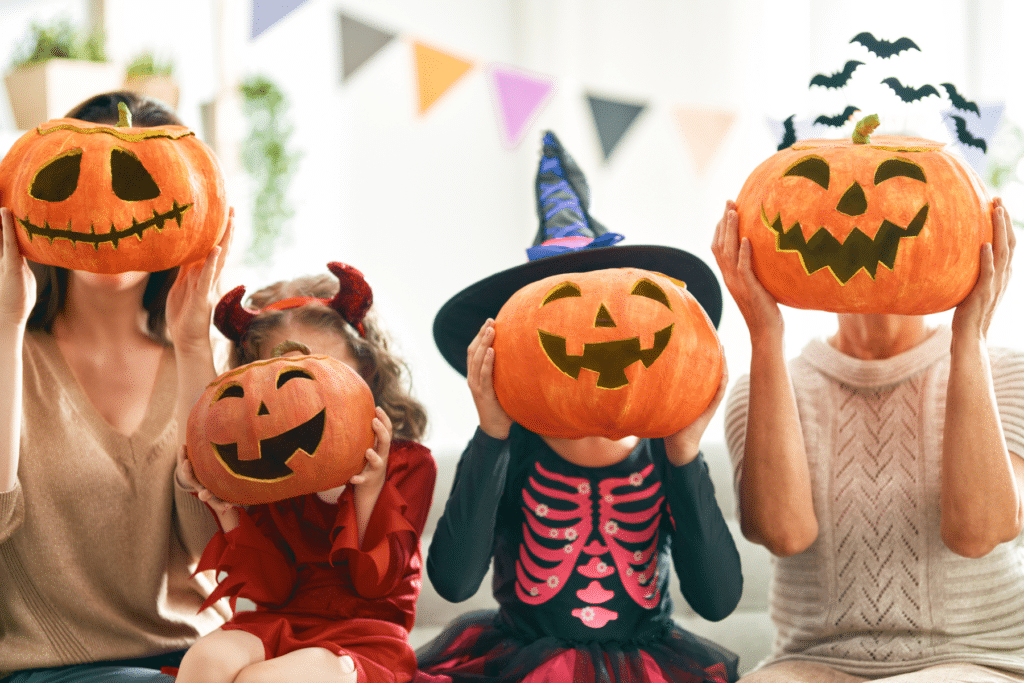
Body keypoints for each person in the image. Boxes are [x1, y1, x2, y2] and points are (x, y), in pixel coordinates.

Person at [417, 131, 743, 683]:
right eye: (561, 308)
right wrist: (492, 434)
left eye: (623, 308)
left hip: (649, 661)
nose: (598, 328)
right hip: (520, 661)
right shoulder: (513, 447)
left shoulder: (665, 449)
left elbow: (717, 599)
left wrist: (685, 456)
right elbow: (453, 580)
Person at [712, 196, 1024, 682]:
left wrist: (969, 336)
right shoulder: (763, 386)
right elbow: (783, 534)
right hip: (811, 662)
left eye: (893, 208)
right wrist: (764, 334)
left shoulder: (1005, 372)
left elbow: (978, 532)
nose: (860, 217)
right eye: (839, 207)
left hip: (974, 660)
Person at [0, 91, 232, 681]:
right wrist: (6, 323)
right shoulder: (13, 351)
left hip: (200, 660)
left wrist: (193, 346)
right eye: (76, 177)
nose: (109, 207)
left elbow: (216, 545)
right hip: (58, 668)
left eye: (136, 180)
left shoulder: (208, 356)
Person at [173, 262, 437, 683]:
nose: (308, 396)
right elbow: (271, 591)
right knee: (205, 660)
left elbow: (376, 586)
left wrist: (367, 491)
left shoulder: (409, 464)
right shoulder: (270, 473)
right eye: (284, 379)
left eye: (321, 371)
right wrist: (229, 511)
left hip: (365, 636)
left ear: (364, 370)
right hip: (280, 620)